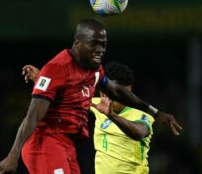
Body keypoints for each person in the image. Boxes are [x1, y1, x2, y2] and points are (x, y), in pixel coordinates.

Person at [0, 19, 181, 174]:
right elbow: (33, 116)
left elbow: (115, 90)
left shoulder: (92, 70)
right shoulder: (56, 69)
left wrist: (155, 113)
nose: (100, 49)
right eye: (94, 43)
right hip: (46, 142)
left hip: (67, 145)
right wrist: (13, 154)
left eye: (103, 44)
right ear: (78, 42)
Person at [24, 62, 155, 174]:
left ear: (128, 90)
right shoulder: (99, 104)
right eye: (105, 92)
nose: (107, 98)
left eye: (114, 94)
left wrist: (112, 116)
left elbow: (139, 132)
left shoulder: (141, 114)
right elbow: (68, 96)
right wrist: (41, 77)